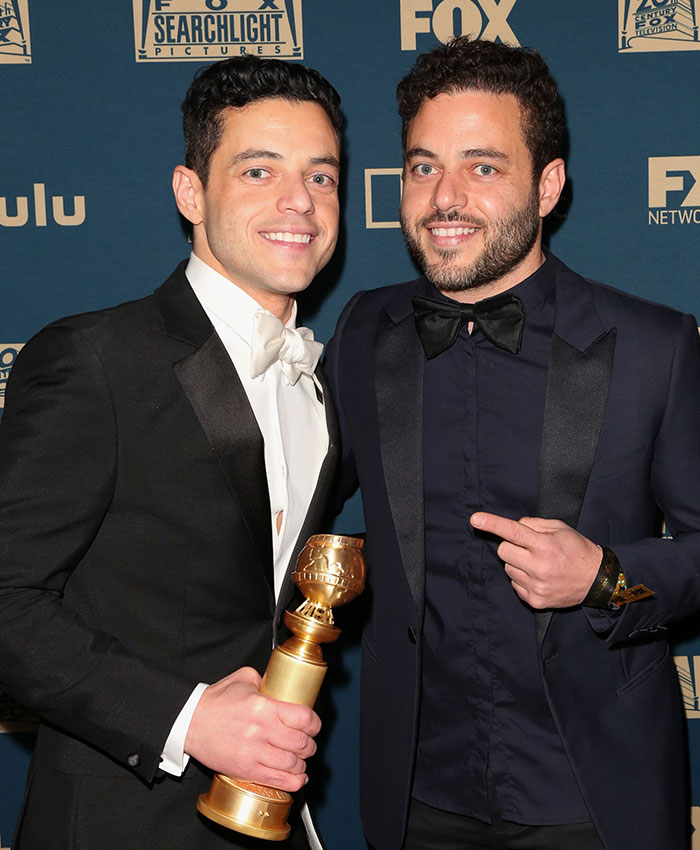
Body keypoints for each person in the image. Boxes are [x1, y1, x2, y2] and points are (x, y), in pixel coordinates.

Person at [325, 36, 700, 850]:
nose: (444, 198)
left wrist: (608, 578)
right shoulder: (364, 332)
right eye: (424, 167)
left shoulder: (653, 347)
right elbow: (294, 507)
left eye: (483, 167)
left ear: (548, 184)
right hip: (418, 793)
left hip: (591, 794)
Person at [0, 55, 342, 850]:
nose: (299, 201)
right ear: (191, 192)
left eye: (321, 177)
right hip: (122, 820)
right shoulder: (96, 359)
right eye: (259, 171)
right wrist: (186, 719)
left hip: (273, 818)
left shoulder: (316, 383)